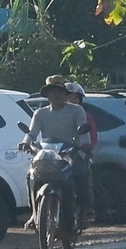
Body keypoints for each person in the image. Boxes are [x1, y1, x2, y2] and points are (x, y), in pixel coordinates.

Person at [20, 75, 92, 229]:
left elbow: (83, 131)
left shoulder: (76, 110)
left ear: (65, 93)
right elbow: (32, 133)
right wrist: (25, 143)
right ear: (47, 95)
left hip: (69, 154)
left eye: (59, 91)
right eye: (52, 91)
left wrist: (85, 144)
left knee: (80, 173)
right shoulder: (40, 113)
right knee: (31, 176)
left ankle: (83, 212)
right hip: (47, 155)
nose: (56, 95)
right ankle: (34, 213)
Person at [65, 82, 98, 222]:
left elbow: (92, 136)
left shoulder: (84, 115)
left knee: (81, 174)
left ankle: (86, 208)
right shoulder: (49, 113)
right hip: (57, 154)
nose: (72, 100)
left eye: (75, 97)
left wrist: (86, 146)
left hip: (77, 153)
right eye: (69, 96)